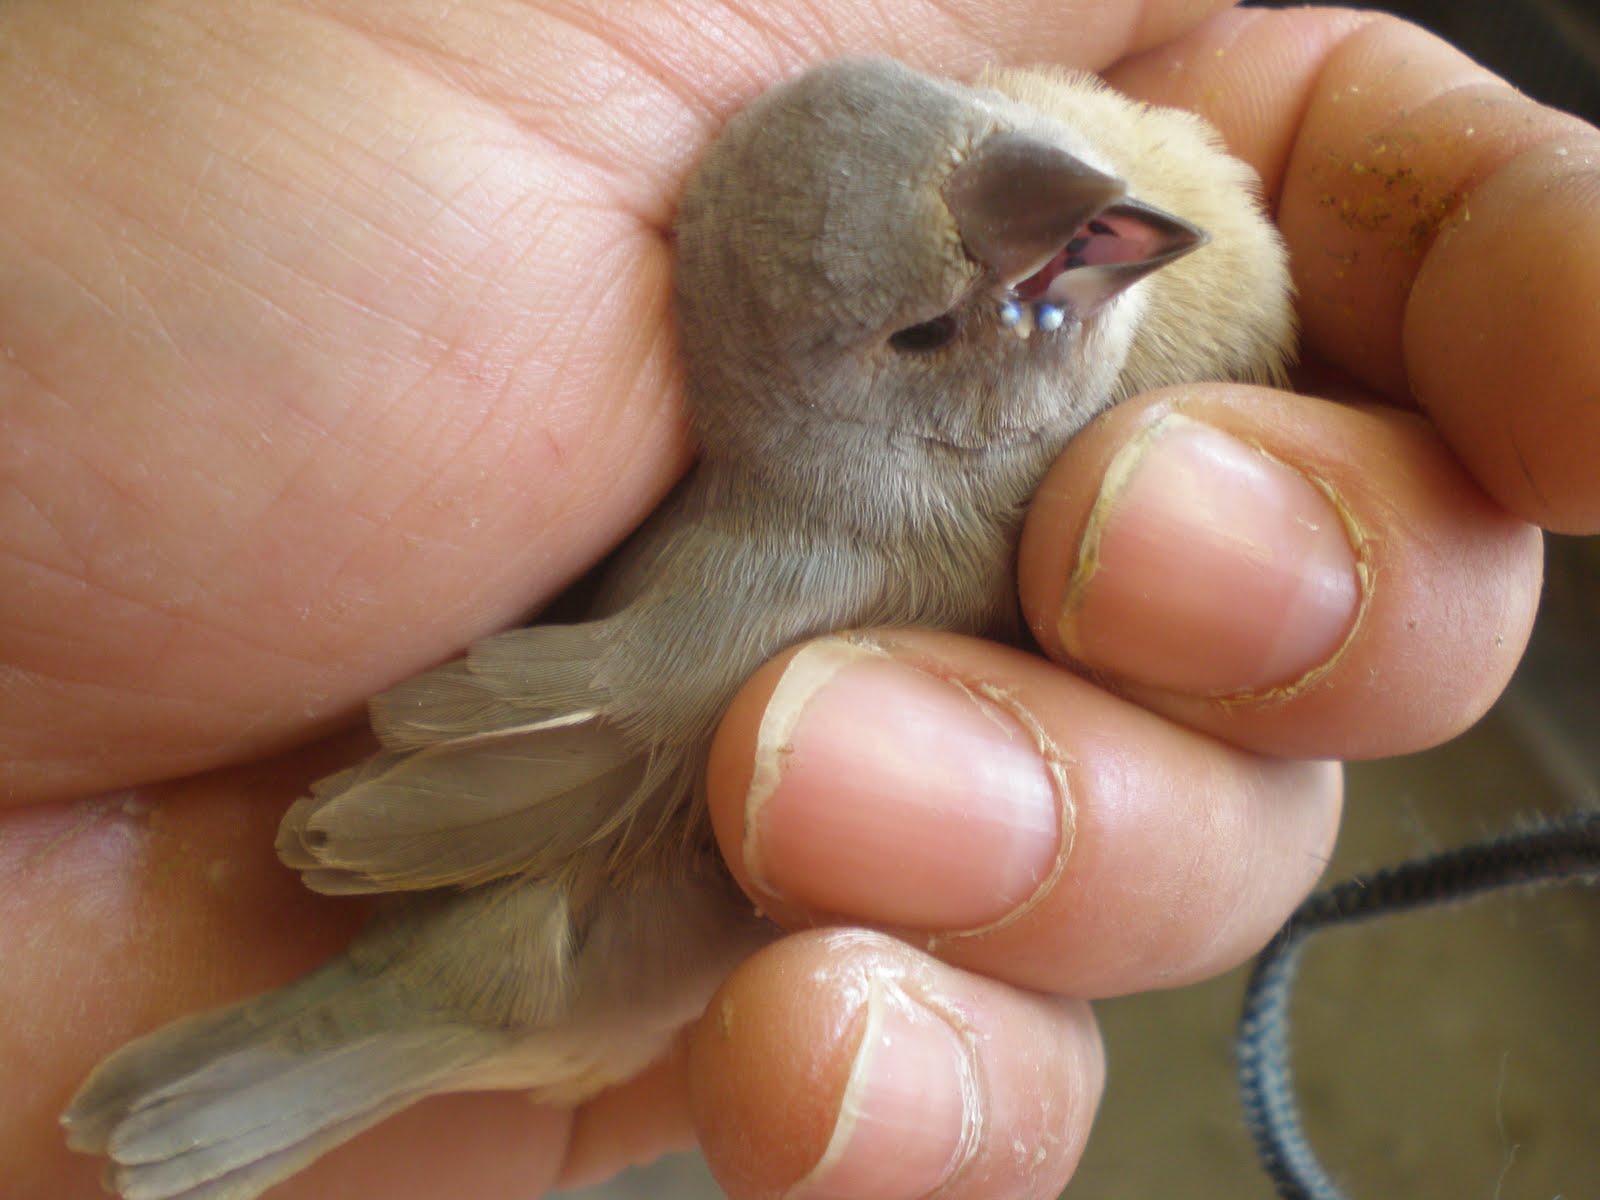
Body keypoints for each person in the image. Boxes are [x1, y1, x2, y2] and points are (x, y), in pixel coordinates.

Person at [1, 2, 1594, 1197]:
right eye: (940, 321)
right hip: (562, 929)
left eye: (975, 143)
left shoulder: (1072, 289)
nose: (1080, 236)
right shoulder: (954, 519)